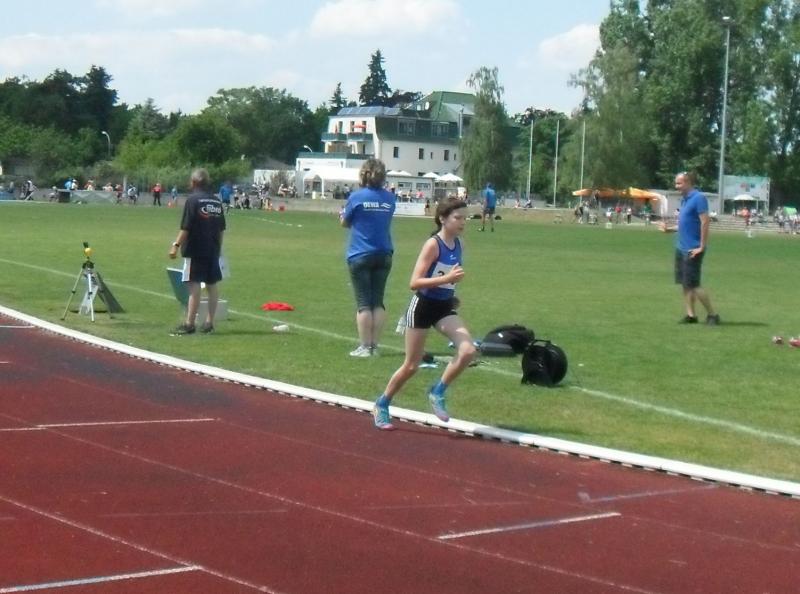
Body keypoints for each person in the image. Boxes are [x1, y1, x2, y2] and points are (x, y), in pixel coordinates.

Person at [372, 197, 477, 430]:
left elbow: (448, 277)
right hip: (422, 307)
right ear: (443, 219)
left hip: (444, 307)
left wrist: (451, 291)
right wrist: (446, 279)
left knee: (468, 351)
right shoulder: (433, 245)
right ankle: (382, 403)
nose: (463, 222)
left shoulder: (460, 244)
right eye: (458, 218)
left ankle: (437, 391)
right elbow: (415, 282)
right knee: (412, 365)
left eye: (465, 218)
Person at [340, 158, 396, 357]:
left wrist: (342, 215)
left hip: (360, 253)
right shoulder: (390, 198)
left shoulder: (356, 197)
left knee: (364, 303)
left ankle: (365, 346)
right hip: (384, 252)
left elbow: (346, 222)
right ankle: (375, 346)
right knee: (377, 302)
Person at [168, 168, 226, 335]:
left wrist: (175, 245)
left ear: (193, 182)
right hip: (213, 249)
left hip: (195, 249)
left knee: (193, 285)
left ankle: (190, 323)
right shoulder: (216, 201)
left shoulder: (192, 200)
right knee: (212, 285)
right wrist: (218, 248)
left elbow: (186, 227)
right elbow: (221, 229)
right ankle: (209, 323)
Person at [662, 171, 720, 325]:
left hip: (692, 249)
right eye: (676, 183)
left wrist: (701, 246)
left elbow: (705, 222)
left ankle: (713, 315)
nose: (676, 186)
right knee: (685, 283)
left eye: (679, 183)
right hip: (681, 248)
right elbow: (685, 225)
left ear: (688, 183)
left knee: (694, 284)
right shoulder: (685, 200)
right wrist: (670, 229)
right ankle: (691, 315)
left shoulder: (698, 198)